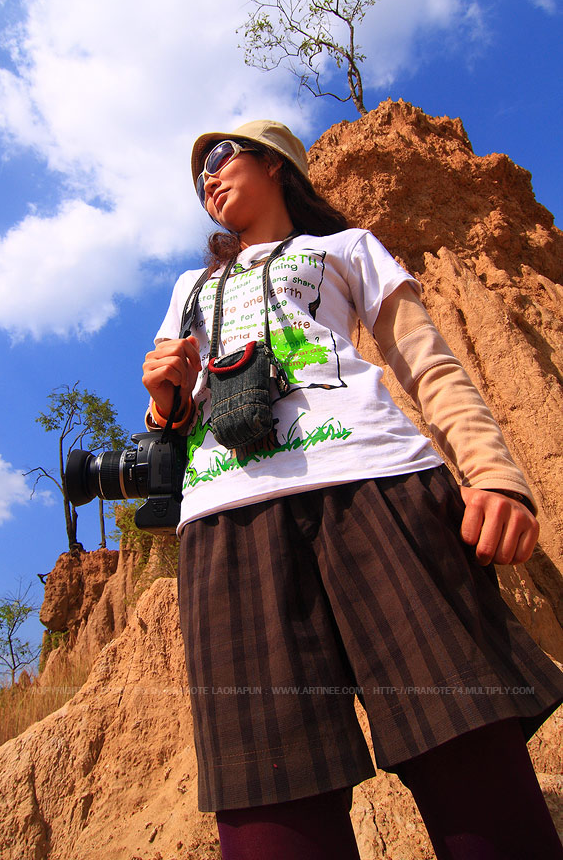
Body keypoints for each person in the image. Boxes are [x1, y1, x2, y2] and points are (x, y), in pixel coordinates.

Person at [142, 120, 563, 860]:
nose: (207, 177)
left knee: (466, 752)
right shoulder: (189, 288)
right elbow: (175, 416)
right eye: (198, 173)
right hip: (224, 520)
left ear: (276, 165)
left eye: (221, 156)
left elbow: (425, 363)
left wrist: (493, 473)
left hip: (377, 491)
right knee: (268, 801)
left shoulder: (345, 248)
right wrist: (162, 400)